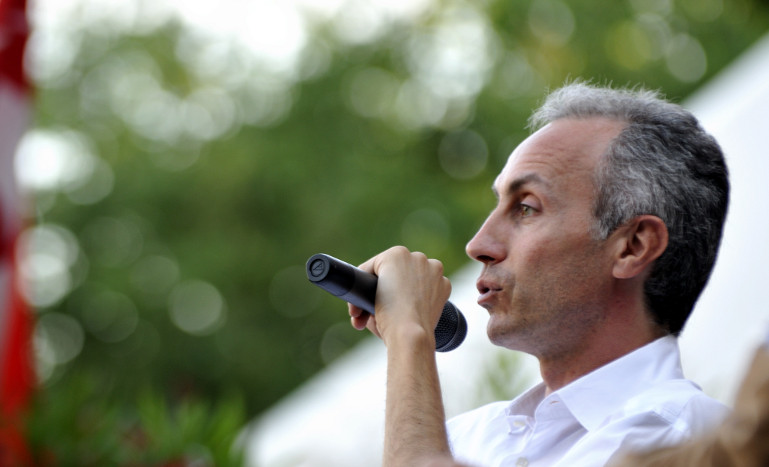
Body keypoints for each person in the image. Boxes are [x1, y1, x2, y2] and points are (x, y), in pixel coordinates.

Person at [348, 82, 730, 466]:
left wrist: (409, 336)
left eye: (526, 208)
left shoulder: (687, 440)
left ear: (633, 246)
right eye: (499, 205)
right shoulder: (463, 438)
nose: (478, 244)